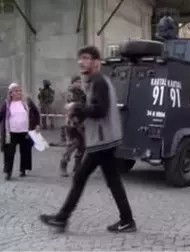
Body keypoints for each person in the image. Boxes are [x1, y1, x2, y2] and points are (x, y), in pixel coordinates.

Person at [39, 45, 136, 233]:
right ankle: (126, 220)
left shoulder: (98, 80)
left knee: (83, 177)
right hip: (103, 140)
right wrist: (80, 115)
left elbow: (101, 110)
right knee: (104, 180)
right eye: (80, 58)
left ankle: (62, 218)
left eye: (85, 58)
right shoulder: (95, 81)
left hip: (102, 141)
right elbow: (96, 110)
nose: (81, 62)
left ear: (96, 62)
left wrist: (76, 106)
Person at [0, 83, 40, 180]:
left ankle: (23, 169)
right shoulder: (6, 103)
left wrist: (37, 124)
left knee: (25, 151)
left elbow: (36, 112)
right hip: (11, 132)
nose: (19, 93)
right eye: (16, 91)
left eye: (20, 91)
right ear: (11, 93)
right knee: (9, 152)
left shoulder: (27, 101)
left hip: (25, 132)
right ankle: (8, 172)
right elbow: (1, 115)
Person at [59, 75, 86, 177]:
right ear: (73, 83)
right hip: (72, 124)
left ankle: (77, 167)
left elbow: (85, 105)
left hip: (82, 123)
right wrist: (75, 119)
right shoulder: (70, 94)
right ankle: (63, 165)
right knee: (72, 145)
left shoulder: (82, 94)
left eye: (80, 82)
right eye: (77, 82)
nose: (79, 83)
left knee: (82, 146)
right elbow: (69, 108)